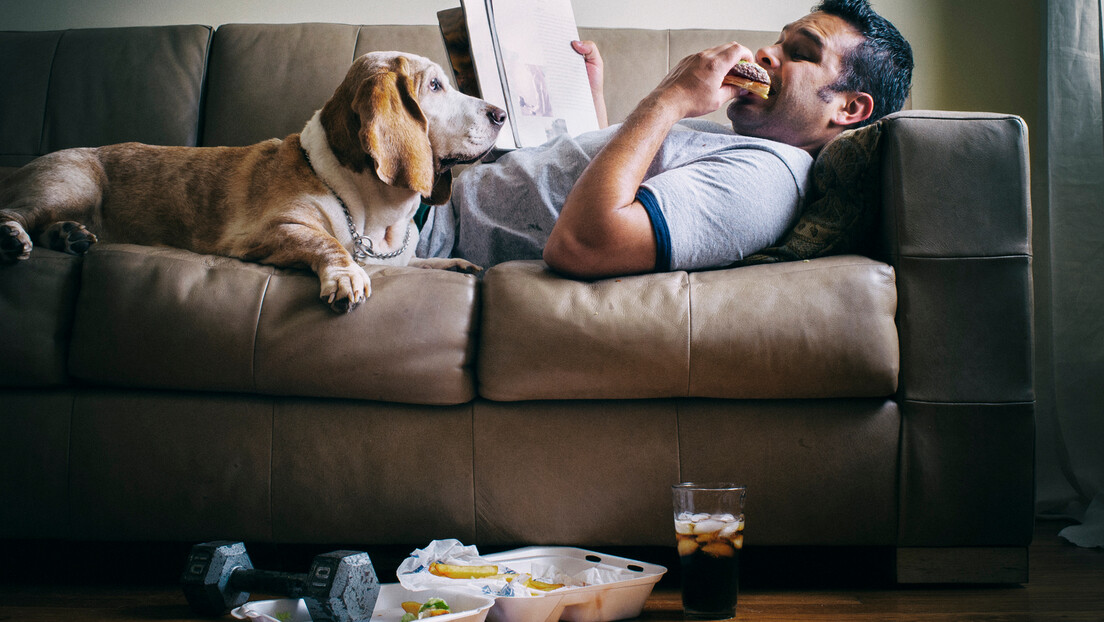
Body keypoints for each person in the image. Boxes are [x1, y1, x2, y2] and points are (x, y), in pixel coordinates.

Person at [417, 0, 912, 279]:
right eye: (779, 40)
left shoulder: (767, 183)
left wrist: (672, 96)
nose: (767, 52)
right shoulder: (737, 144)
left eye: (800, 52)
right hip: (433, 192)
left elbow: (583, 243)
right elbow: (587, 184)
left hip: (428, 230)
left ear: (850, 108)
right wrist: (588, 105)